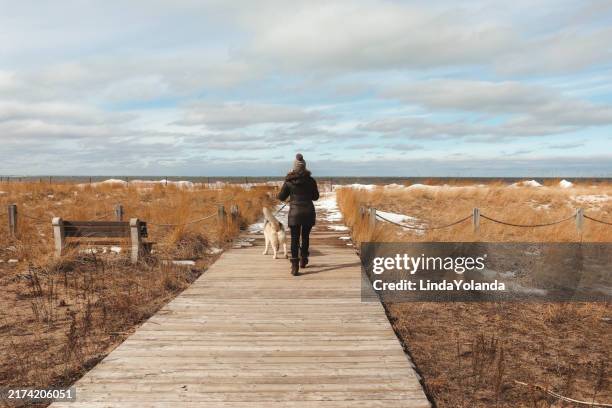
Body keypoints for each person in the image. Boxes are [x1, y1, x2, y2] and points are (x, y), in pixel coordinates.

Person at [277, 153, 319, 276]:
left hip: (294, 213)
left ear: (294, 167)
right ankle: (304, 259)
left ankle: (295, 265)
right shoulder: (311, 181)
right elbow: (315, 197)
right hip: (308, 212)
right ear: (305, 167)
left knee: (294, 239)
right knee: (305, 237)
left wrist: (291, 197)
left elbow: (281, 197)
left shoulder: (289, 181)